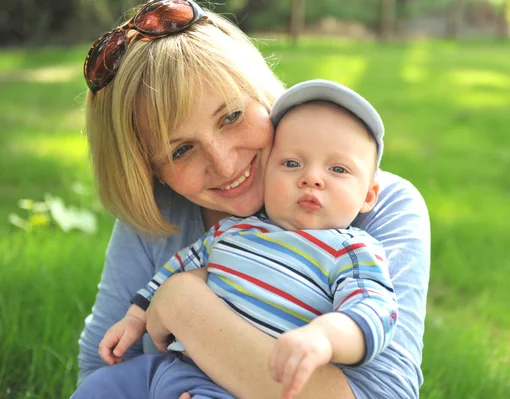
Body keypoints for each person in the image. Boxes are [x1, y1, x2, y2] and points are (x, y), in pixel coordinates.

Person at [76, 1, 430, 398]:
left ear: (261, 93)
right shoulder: (160, 211)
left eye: (231, 116)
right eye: (181, 151)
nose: (224, 164)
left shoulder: (382, 210)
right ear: (150, 170)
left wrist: (184, 306)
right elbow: (100, 365)